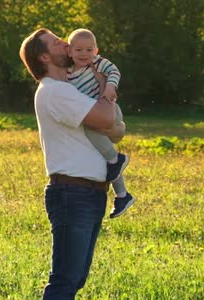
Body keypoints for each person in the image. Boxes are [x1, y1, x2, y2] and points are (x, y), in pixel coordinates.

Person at [19, 28, 125, 300]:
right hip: (72, 193)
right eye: (56, 42)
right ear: (44, 57)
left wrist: (109, 113)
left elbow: (117, 129)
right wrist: (106, 83)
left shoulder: (74, 88)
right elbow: (108, 121)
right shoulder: (55, 90)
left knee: (73, 281)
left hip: (88, 193)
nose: (65, 43)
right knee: (64, 281)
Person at [66, 28, 134, 218]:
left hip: (109, 110)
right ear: (69, 51)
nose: (84, 54)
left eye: (89, 50)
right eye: (79, 50)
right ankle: (122, 195)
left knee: (93, 134)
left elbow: (114, 71)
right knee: (106, 162)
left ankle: (117, 159)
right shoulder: (68, 73)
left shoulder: (97, 63)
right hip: (95, 112)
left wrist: (110, 86)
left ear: (96, 51)